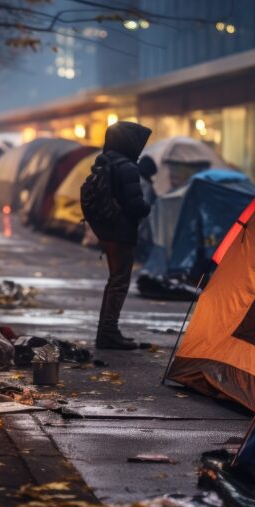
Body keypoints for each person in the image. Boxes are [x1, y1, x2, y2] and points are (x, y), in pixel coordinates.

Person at [86, 122, 153, 350]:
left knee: (114, 281)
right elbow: (134, 205)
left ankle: (106, 331)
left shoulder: (105, 162)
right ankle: (108, 333)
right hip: (121, 231)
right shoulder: (127, 167)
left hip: (107, 228)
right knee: (119, 282)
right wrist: (147, 208)